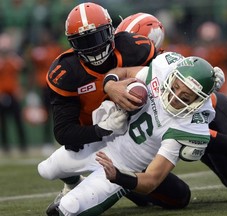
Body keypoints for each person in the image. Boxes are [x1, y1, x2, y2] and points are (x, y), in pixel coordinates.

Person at [111, 12, 227, 206]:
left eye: (129, 43)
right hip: (182, 128)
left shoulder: (162, 66)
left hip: (210, 120)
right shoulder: (123, 67)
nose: (122, 50)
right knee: (173, 194)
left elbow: (217, 139)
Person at [41, 52, 217, 215]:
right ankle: (74, 183)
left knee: (67, 208)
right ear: (171, 76)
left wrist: (118, 176)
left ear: (198, 101)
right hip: (104, 143)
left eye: (185, 97)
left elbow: (151, 181)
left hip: (124, 166)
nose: (174, 96)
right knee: (46, 169)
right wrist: (110, 85)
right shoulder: (160, 72)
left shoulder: (187, 126)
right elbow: (122, 72)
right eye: (175, 86)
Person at [39, 2, 157, 215]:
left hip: (133, 137)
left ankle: (115, 182)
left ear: (111, 32)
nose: (93, 47)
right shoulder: (66, 71)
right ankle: (74, 183)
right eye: (83, 41)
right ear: (72, 44)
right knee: (48, 168)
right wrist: (102, 129)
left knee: (176, 196)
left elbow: (165, 73)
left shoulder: (134, 48)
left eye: (97, 37)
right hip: (92, 139)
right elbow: (64, 132)